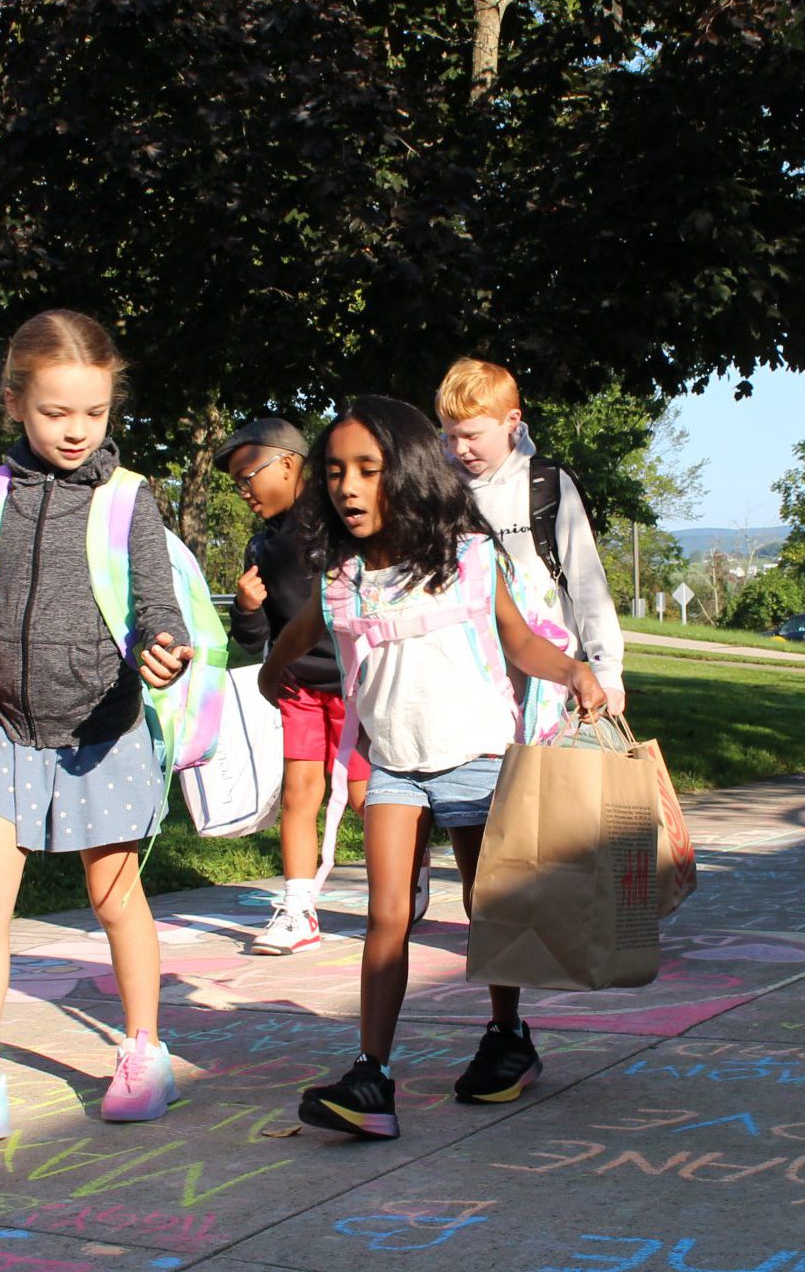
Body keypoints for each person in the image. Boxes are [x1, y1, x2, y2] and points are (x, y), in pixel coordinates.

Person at [256, 396, 608, 1140]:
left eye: (368, 470)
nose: (348, 487)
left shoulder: (470, 563)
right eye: (335, 472)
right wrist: (270, 672)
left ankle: (507, 1036)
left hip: (476, 759)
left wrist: (574, 670)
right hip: (394, 766)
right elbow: (296, 634)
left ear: (409, 474)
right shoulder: (341, 580)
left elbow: (520, 643)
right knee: (387, 916)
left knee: (490, 908)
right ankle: (371, 1076)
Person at [0, 310, 196, 1143]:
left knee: (114, 896)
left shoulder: (129, 497)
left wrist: (163, 648)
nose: (76, 430)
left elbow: (153, 601)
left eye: (93, 413)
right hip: (10, 728)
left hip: (103, 725)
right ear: (15, 402)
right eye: (56, 412)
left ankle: (143, 1050)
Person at [217, 416, 375, 955]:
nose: (243, 492)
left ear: (287, 462)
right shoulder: (260, 547)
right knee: (299, 795)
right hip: (299, 689)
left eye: (247, 476)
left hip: (357, 687)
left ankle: (404, 881)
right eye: (237, 484)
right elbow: (251, 638)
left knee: (363, 797)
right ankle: (299, 906)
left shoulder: (339, 524)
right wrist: (247, 608)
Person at [436, 358, 629, 713]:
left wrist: (606, 672)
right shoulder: (437, 494)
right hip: (466, 686)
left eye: (471, 435)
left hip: (552, 680)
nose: (459, 448)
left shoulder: (547, 485)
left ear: (511, 421)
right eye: (450, 436)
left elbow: (587, 583)